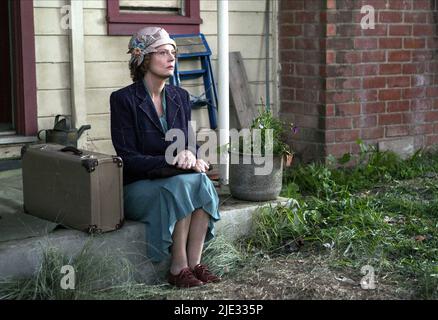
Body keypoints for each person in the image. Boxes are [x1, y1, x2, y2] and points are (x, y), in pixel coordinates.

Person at [110, 27, 221, 288]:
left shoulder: (180, 97)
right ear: (144, 59)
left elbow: (188, 145)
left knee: (201, 181)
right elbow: (128, 158)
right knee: (183, 184)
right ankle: (177, 267)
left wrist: (194, 159)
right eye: (162, 52)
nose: (171, 58)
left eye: (173, 52)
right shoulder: (123, 100)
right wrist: (171, 161)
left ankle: (195, 264)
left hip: (173, 181)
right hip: (137, 186)